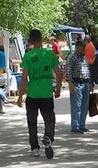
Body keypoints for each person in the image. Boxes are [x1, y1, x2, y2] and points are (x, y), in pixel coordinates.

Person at [16, 29, 63, 158]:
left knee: (32, 122)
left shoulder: (28, 56)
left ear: (30, 41)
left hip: (32, 94)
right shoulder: (50, 54)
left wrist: (20, 97)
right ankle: (48, 137)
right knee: (49, 119)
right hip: (46, 92)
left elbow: (24, 78)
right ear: (42, 39)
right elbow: (59, 74)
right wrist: (58, 89)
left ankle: (34, 148)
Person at [66, 40, 93, 134]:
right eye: (83, 47)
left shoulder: (84, 57)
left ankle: (82, 125)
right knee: (76, 105)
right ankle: (75, 126)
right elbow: (68, 71)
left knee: (85, 106)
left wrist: (90, 83)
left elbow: (87, 70)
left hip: (85, 83)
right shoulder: (72, 57)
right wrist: (70, 83)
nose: (84, 49)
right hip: (76, 83)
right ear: (77, 47)